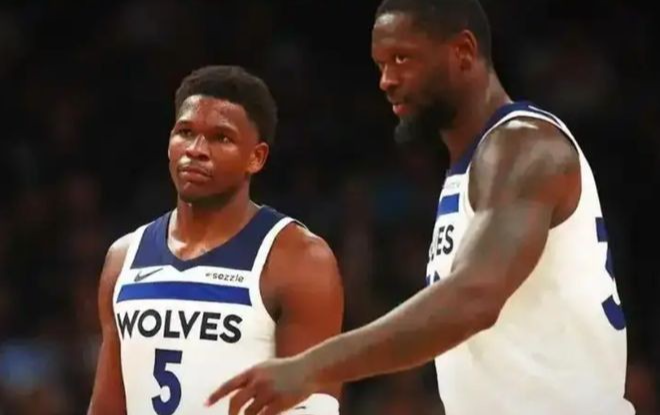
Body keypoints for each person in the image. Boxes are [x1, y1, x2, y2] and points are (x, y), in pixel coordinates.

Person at [206, 1, 636, 414]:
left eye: (402, 59)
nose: (386, 80)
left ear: (463, 50)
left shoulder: (523, 146)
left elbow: (474, 298)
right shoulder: (472, 167)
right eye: (380, 65)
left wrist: (310, 367)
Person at [87, 65, 344, 415]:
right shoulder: (124, 258)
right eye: (185, 132)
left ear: (256, 157)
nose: (196, 150)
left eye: (220, 138)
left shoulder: (298, 258)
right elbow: (107, 407)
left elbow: (312, 407)